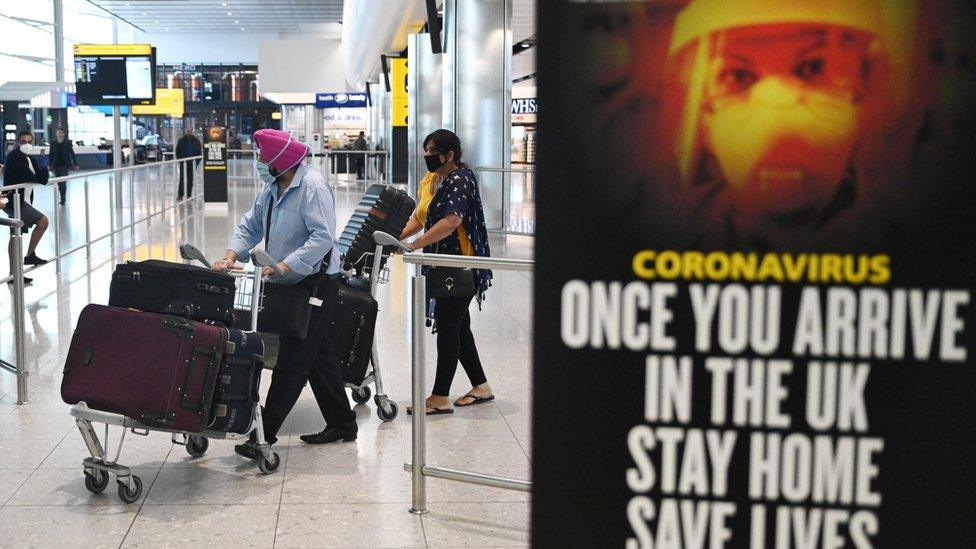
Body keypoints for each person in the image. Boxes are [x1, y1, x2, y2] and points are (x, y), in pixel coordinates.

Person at [212, 128, 357, 457]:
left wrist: (284, 266)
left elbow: (322, 238)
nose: (260, 163)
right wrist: (231, 254)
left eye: (263, 157)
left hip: (315, 282)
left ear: (280, 160)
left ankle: (264, 436)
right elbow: (250, 225)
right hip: (287, 280)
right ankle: (343, 423)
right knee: (317, 357)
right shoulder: (273, 187)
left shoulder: (311, 187)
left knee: (294, 359)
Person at [400, 129, 494, 414]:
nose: (427, 155)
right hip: (441, 262)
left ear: (449, 154)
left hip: (460, 263)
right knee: (459, 325)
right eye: (425, 149)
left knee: (449, 325)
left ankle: (440, 397)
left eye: (432, 150)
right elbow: (422, 217)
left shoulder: (461, 179)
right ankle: (481, 386)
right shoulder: (433, 179)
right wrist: (397, 237)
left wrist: (415, 245)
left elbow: (451, 221)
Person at [2, 131, 51, 285]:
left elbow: (42, 180)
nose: (27, 144)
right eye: (23, 141)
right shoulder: (14, 157)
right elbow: (30, 177)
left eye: (29, 141)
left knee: (17, 235)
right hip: (14, 201)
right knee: (42, 222)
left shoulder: (30, 158)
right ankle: (18, 268)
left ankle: (20, 267)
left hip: (24, 201)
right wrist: (40, 172)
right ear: (18, 142)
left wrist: (44, 167)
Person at [48, 127, 78, 206]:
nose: (60, 134)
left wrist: (75, 164)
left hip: (65, 165)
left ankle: (63, 199)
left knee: (63, 182)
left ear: (64, 134)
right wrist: (49, 165)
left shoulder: (67, 143)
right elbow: (51, 155)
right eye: (59, 133)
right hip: (56, 165)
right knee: (59, 183)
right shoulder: (53, 143)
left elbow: (72, 153)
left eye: (61, 133)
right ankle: (62, 196)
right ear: (56, 134)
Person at [175, 127, 202, 200]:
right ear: (186, 131)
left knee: (190, 179)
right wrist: (180, 161)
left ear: (192, 131)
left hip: (192, 163)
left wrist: (196, 162)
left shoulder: (196, 141)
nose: (189, 132)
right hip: (183, 163)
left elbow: (199, 152)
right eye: (188, 131)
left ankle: (189, 195)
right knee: (182, 179)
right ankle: (180, 195)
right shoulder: (181, 141)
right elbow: (177, 151)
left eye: (190, 131)